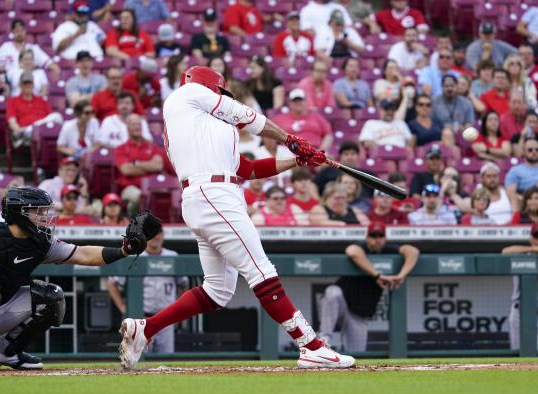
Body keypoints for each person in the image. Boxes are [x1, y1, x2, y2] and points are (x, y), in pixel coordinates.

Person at [119, 65, 356, 370]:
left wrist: (298, 159)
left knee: (217, 290)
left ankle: (145, 329)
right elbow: (248, 116)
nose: (221, 96)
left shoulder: (204, 129)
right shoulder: (186, 94)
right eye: (220, 91)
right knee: (260, 270)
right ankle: (311, 346)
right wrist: (291, 139)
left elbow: (248, 169)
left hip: (210, 195)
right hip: (214, 193)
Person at [0, 186, 157, 370]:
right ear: (19, 213)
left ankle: (8, 352)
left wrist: (124, 249)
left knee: (52, 297)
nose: (44, 217)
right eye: (37, 211)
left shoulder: (41, 243)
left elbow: (83, 255)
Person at [318, 221, 419, 351]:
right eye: (373, 236)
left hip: (359, 314)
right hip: (342, 302)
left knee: (356, 356)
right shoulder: (362, 247)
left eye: (380, 236)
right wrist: (377, 275)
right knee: (332, 292)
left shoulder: (389, 250)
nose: (377, 240)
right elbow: (352, 251)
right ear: (367, 238)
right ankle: (324, 338)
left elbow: (413, 251)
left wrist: (401, 275)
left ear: (385, 238)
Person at [107, 229, 187, 353]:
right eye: (152, 234)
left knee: (167, 363)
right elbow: (111, 282)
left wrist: (177, 308)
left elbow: (184, 284)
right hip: (141, 319)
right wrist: (123, 307)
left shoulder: (172, 256)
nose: (156, 237)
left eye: (159, 233)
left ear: (163, 236)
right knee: (139, 361)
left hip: (166, 320)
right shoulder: (134, 257)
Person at [114, 114, 164, 216]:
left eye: (139, 124)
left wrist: (136, 163)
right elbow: (126, 170)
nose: (137, 127)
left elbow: (158, 166)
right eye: (133, 124)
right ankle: (135, 225)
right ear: (127, 127)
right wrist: (150, 166)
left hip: (152, 187)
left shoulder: (152, 147)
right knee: (139, 196)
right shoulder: (121, 149)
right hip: (130, 187)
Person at [501, 222, 538, 350]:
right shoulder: (522, 255)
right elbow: (505, 252)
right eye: (536, 236)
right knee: (517, 352)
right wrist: (532, 249)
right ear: (531, 238)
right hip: (519, 310)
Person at [6, 72, 63, 149]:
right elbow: (11, 120)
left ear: (33, 85)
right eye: (25, 84)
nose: (27, 86)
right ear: (20, 85)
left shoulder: (41, 100)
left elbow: (50, 118)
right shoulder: (13, 101)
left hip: (43, 130)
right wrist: (18, 129)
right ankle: (26, 132)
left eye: (30, 83)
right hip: (26, 130)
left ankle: (27, 132)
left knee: (56, 116)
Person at [448, 162, 513, 225]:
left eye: (495, 176)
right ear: (482, 178)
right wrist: (453, 194)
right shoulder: (477, 193)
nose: (492, 179)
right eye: (488, 176)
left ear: (499, 177)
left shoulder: (506, 193)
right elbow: (465, 205)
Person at [506, 139, 538, 212]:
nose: (534, 152)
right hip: (524, 206)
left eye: (537, 149)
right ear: (524, 151)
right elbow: (511, 194)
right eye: (530, 150)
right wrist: (530, 200)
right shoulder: (515, 171)